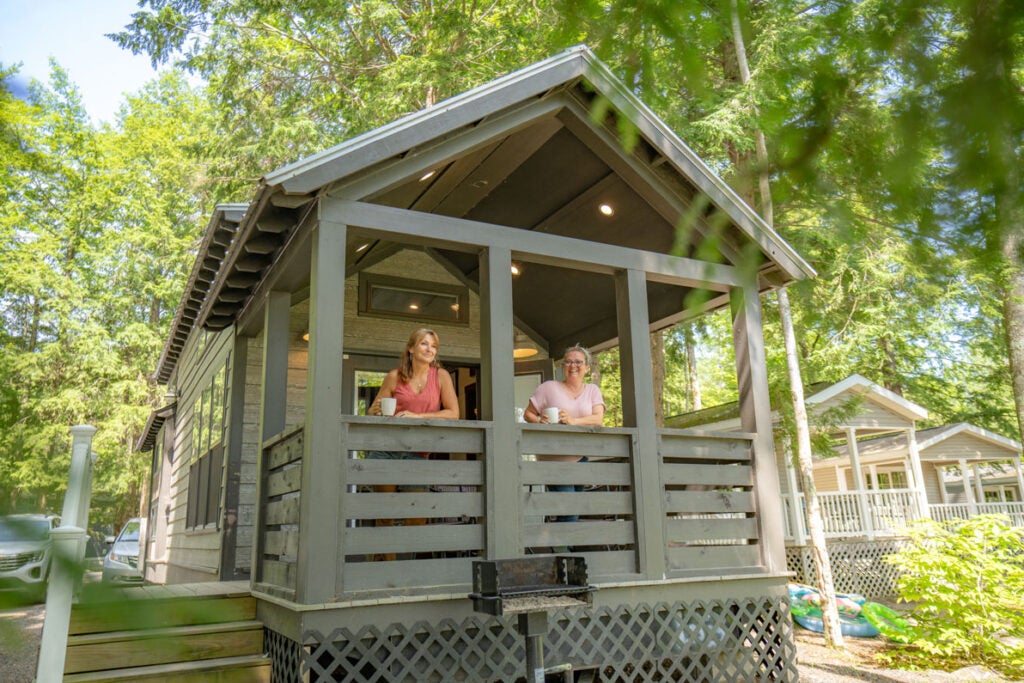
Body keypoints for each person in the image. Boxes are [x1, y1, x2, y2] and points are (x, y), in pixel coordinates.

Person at [365, 328, 459, 558]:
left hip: (418, 453)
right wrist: (375, 412)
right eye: (424, 344)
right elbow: (371, 412)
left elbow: (453, 413)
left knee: (417, 515)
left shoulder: (441, 376)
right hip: (386, 450)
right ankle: (386, 568)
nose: (429, 349)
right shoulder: (394, 376)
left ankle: (406, 565)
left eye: (434, 346)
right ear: (411, 348)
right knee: (385, 514)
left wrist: (418, 417)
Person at [523, 344, 605, 523]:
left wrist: (573, 421)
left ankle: (557, 544)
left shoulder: (592, 390)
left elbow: (598, 419)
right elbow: (528, 413)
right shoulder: (548, 387)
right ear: (563, 367)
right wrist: (539, 421)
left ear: (587, 367)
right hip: (553, 459)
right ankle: (563, 549)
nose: (573, 366)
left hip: (580, 458)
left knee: (573, 509)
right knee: (569, 510)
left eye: (578, 362)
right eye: (568, 362)